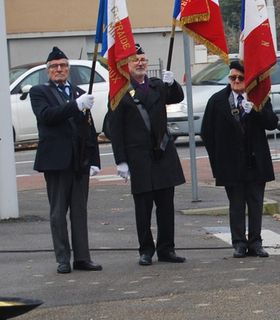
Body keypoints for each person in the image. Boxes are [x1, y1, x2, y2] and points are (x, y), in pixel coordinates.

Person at [107, 44, 187, 266]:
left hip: (162, 155)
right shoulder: (120, 91)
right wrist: (121, 160)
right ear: (127, 65)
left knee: (166, 207)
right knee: (143, 209)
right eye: (135, 60)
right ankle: (145, 250)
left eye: (143, 59)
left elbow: (176, 97)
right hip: (139, 158)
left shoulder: (157, 85)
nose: (140, 63)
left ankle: (166, 249)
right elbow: (115, 128)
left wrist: (173, 83)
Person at [30, 46, 102, 274]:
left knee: (80, 212)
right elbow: (47, 116)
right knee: (58, 212)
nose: (59, 69)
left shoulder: (80, 93)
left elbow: (89, 129)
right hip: (56, 161)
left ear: (69, 69)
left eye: (63, 66)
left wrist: (94, 160)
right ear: (48, 70)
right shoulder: (39, 92)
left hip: (79, 161)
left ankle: (82, 257)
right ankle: (63, 258)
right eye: (54, 67)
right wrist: (75, 106)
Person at [201, 61, 279, 258]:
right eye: (232, 77)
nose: (236, 81)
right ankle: (239, 243)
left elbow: (272, 123)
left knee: (255, 204)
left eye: (240, 78)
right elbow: (207, 132)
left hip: (255, 161)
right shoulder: (217, 101)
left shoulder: (259, 98)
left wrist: (255, 110)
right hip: (231, 163)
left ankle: (256, 242)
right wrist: (217, 161)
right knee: (236, 205)